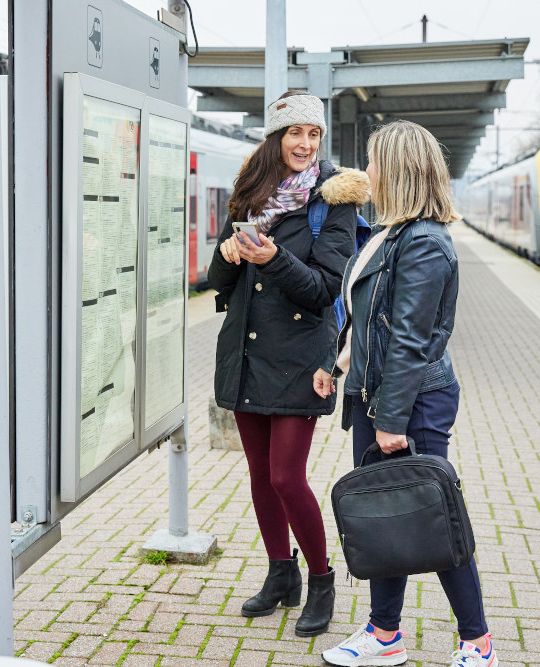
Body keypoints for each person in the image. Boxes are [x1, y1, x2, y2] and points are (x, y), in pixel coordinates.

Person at [314, 121, 498, 667]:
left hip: (411, 402)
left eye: (373, 161)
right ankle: (385, 633)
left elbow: (412, 342)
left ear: (397, 169)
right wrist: (339, 363)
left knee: (431, 515)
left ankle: (477, 640)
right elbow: (377, 321)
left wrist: (392, 420)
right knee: (385, 514)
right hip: (379, 395)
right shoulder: (391, 234)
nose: (365, 171)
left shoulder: (425, 244)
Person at [209, 91, 370, 637]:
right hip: (247, 351)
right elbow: (219, 284)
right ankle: (282, 575)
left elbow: (326, 291)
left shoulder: (335, 201)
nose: (305, 144)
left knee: (286, 475)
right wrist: (226, 253)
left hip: (301, 357)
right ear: (276, 137)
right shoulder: (250, 193)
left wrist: (273, 259)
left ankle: (321, 578)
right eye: (295, 133)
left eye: (314, 135)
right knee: (258, 475)